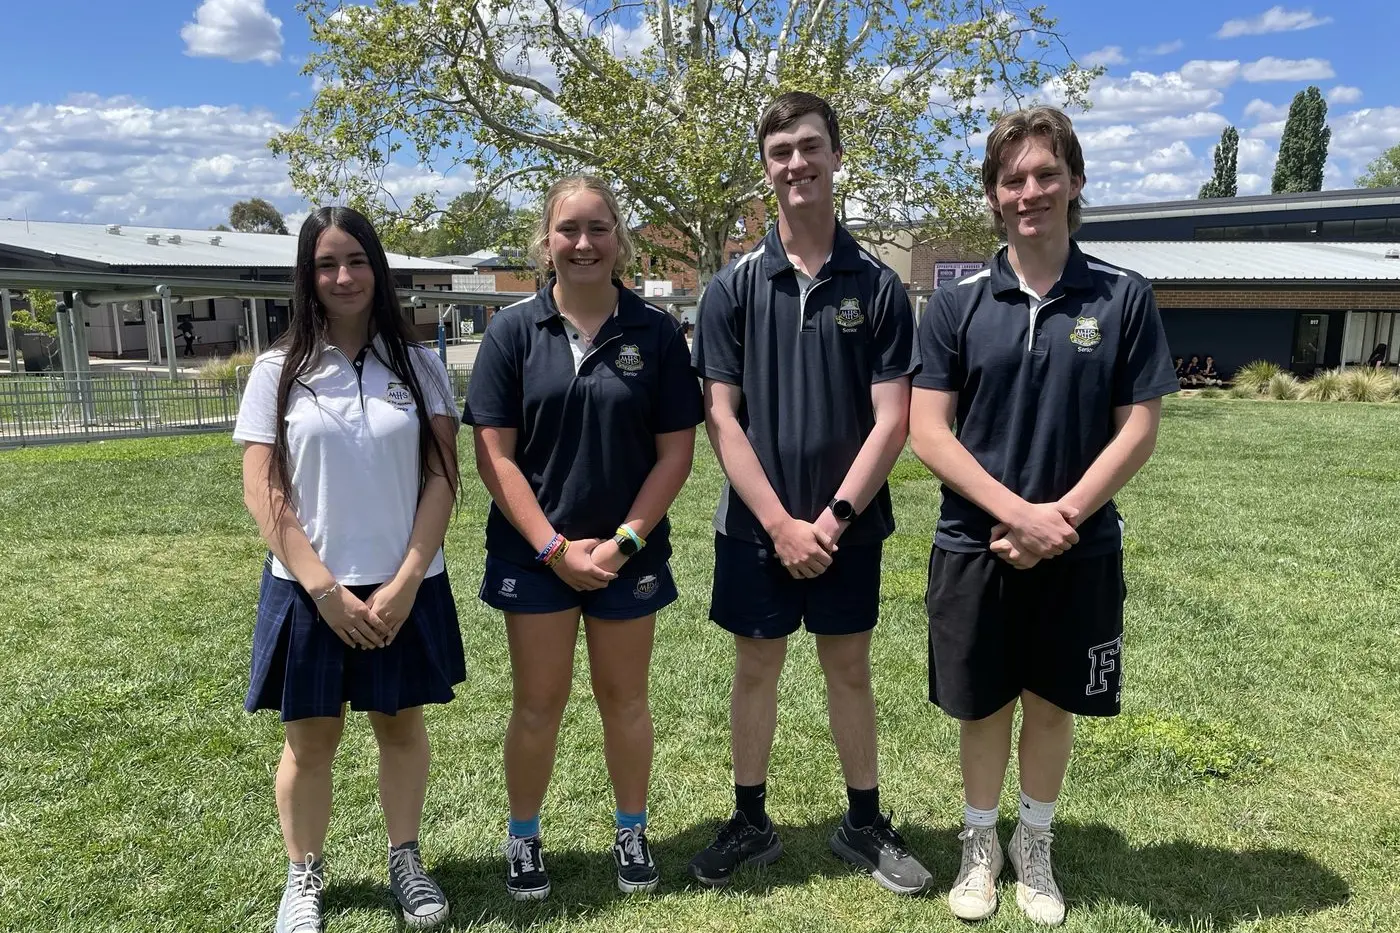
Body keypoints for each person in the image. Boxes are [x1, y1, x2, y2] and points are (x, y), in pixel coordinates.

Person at [909, 106, 1178, 926]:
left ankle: (1036, 841)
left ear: (1076, 182)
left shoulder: (1123, 298)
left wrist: (1059, 517)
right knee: (983, 702)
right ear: (993, 194)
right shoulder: (955, 306)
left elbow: (1139, 425)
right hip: (975, 542)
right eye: (1013, 178)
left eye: (1045, 174)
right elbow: (927, 428)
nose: (1030, 191)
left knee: (1051, 700)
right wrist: (1017, 514)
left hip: (1078, 546)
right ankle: (980, 844)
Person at [688, 91, 931, 895]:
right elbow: (721, 418)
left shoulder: (882, 288)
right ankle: (750, 820)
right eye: (781, 151)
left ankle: (863, 822)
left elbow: (892, 420)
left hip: (848, 529)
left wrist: (827, 522)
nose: (797, 162)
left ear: (835, 156)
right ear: (766, 169)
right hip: (756, 528)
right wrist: (780, 524)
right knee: (755, 668)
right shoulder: (732, 288)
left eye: (810, 146)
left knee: (849, 670)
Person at [465, 175, 702, 899]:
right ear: (546, 241)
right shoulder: (511, 331)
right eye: (568, 229)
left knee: (625, 699)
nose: (583, 243)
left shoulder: (655, 332)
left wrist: (623, 542)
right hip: (535, 556)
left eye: (599, 228)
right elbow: (493, 456)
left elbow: (676, 452)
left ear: (620, 241)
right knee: (538, 703)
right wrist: (552, 549)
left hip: (624, 555)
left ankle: (631, 829)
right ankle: (523, 837)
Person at [233, 206, 463, 933]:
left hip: (406, 587)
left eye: (356, 260)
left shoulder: (421, 364)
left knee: (400, 728)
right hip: (308, 590)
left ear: (378, 267)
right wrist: (323, 588)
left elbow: (441, 477)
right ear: (307, 274)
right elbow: (262, 487)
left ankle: (405, 858)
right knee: (310, 742)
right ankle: (302, 874)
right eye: (327, 263)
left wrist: (404, 580)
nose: (343, 276)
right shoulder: (278, 370)